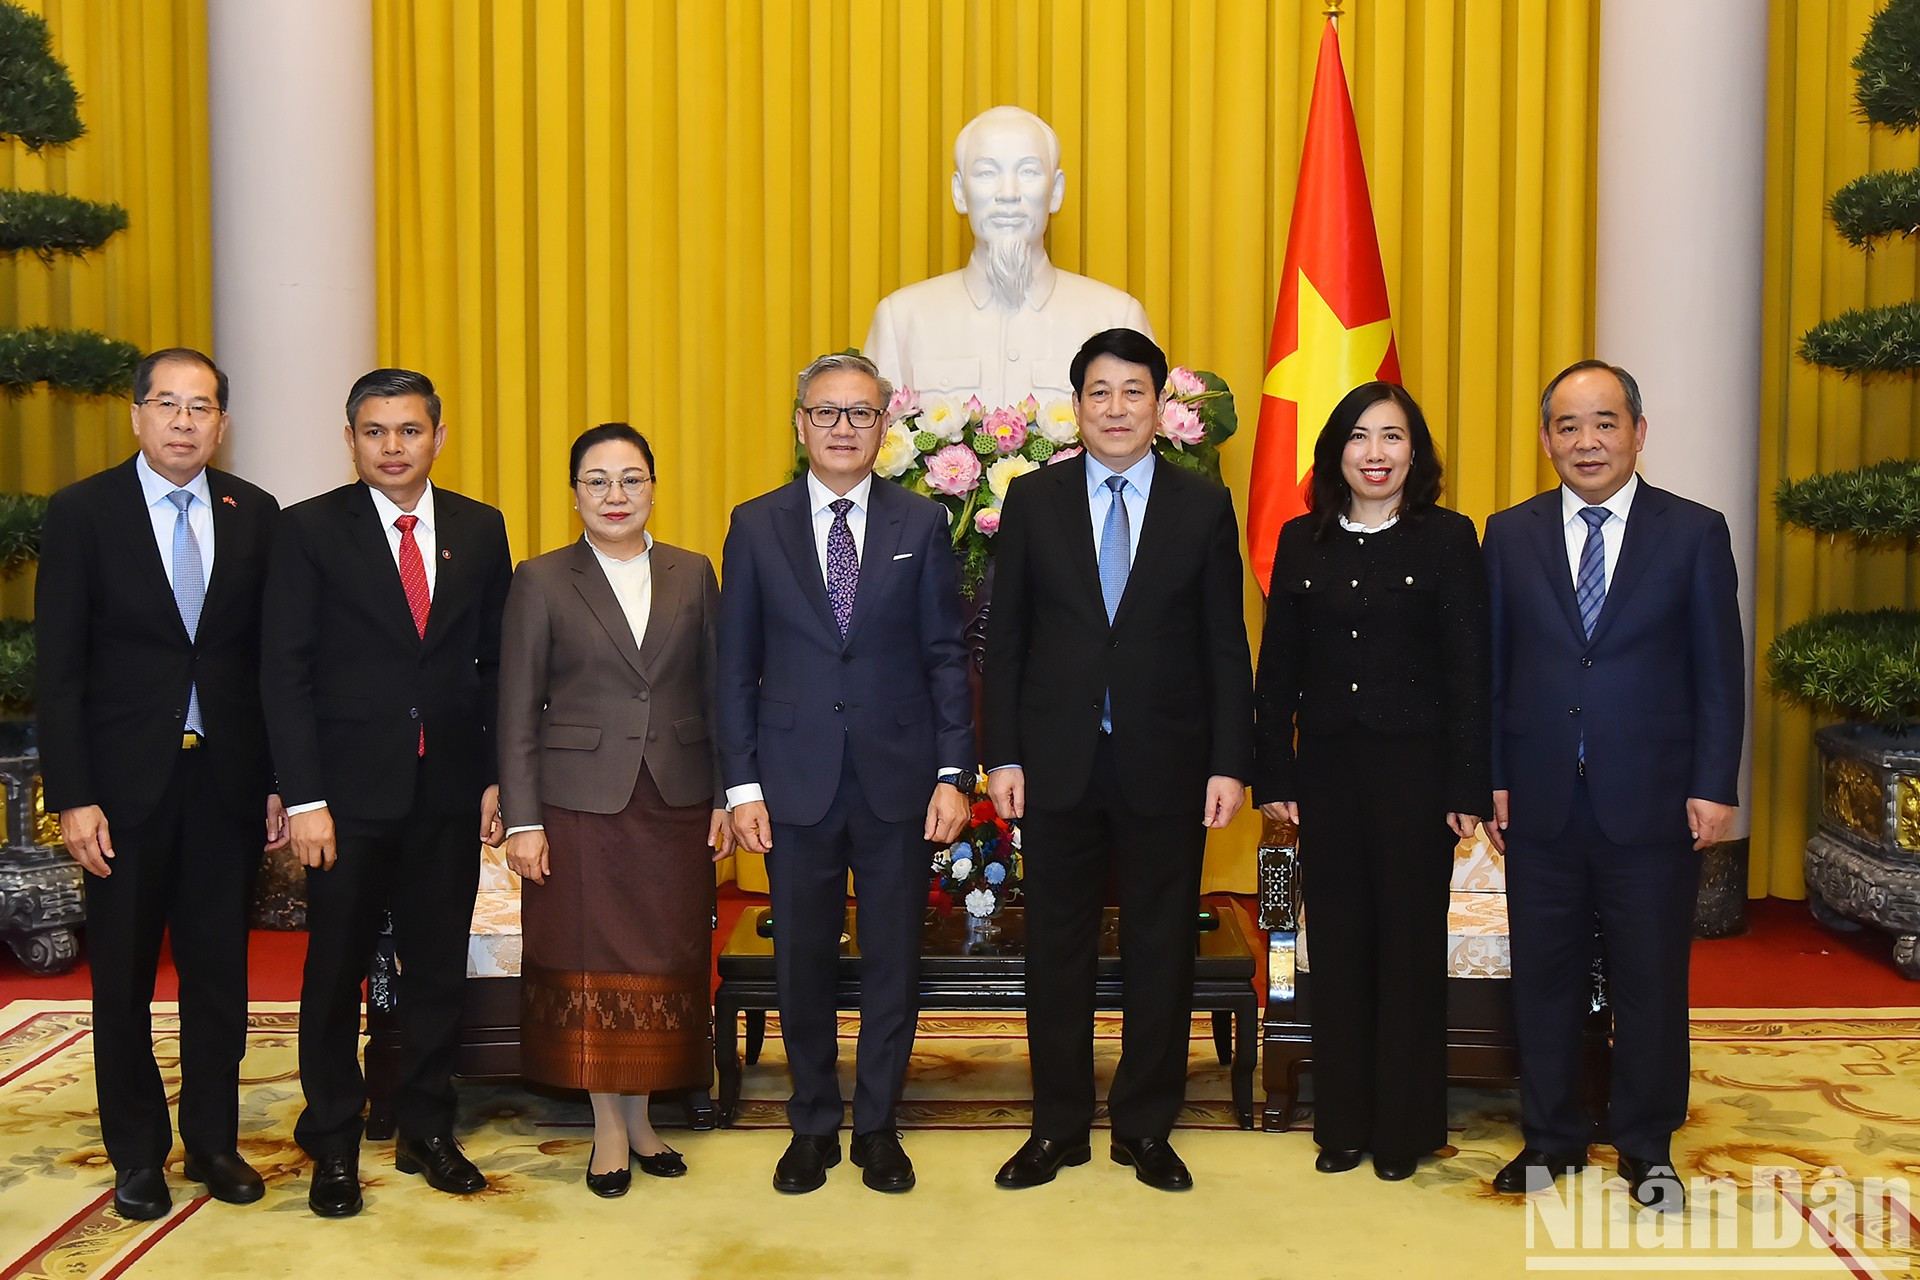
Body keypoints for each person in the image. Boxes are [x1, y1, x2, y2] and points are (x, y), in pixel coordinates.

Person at [984, 327, 1254, 1192]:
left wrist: (1229, 761)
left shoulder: (1201, 505)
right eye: (1099, 392)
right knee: (1054, 951)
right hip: (1056, 762)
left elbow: (1224, 644)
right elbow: (1006, 642)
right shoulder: (1034, 500)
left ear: (1160, 405)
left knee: (1161, 949)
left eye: (1133, 391)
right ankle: (1058, 1126)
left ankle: (1144, 1127)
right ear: (1077, 406)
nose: (1116, 408)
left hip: (1167, 763)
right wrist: (1002, 756)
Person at [1484, 360, 1743, 1211]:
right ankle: (1550, 1138)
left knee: (1651, 983)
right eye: (1568, 425)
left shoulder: (1694, 532)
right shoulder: (1510, 534)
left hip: (1655, 799)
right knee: (1545, 981)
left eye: (1604, 423)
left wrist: (1714, 783)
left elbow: (1719, 672)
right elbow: (1493, 671)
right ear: (1545, 439)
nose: (1586, 441)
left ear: (1638, 432)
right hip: (1540, 799)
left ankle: (1646, 1146)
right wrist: (1493, 777)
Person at [715, 352, 975, 1195]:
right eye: (825, 412)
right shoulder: (755, 525)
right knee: (802, 963)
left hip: (899, 779)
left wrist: (954, 772)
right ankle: (812, 1125)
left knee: (894, 959)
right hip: (792, 782)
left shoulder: (920, 523)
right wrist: (742, 786)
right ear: (800, 424)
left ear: (883, 426)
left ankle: (878, 1126)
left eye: (860, 413)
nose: (842, 428)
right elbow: (734, 666)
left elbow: (945, 656)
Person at [35, 347, 285, 1220]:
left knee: (219, 977)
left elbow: (267, 661)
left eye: (201, 407)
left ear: (223, 423)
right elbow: (59, 669)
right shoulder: (83, 512)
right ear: (137, 415)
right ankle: (136, 1154)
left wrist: (278, 779)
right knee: (124, 981)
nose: (184, 421)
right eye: (168, 404)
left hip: (225, 784)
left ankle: (213, 1142)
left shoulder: (254, 512)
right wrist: (72, 796)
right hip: (120, 793)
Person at [261, 368, 514, 1218]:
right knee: (335, 973)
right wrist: (304, 799)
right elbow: (285, 672)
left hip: (448, 790)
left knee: (438, 969)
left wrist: (495, 775)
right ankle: (333, 1137)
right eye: (375, 431)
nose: (393, 446)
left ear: (438, 436)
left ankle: (426, 1127)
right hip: (346, 801)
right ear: (351, 440)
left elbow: (494, 664)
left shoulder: (480, 527)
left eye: (409, 430)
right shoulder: (308, 530)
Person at [1250, 381, 1490, 1182]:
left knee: (1408, 947)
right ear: (1335, 453)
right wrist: (1273, 771)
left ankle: (1403, 1129)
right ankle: (1343, 1124)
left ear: (1414, 453)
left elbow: (1469, 672)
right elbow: (1277, 669)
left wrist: (1468, 785)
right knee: (1340, 945)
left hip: (1417, 777)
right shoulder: (1300, 540)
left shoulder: (1448, 539)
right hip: (1325, 772)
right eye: (1359, 436)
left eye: (1392, 437)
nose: (1375, 453)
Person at [497, 423, 733, 1199]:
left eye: (631, 479)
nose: (615, 495)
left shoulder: (693, 572)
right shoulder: (541, 579)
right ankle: (607, 1128)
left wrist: (727, 795)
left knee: (663, 962)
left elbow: (720, 694)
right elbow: (516, 708)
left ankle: (643, 1120)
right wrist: (524, 820)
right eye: (597, 481)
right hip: (578, 806)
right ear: (574, 495)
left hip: (675, 800)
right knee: (593, 963)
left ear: (654, 488)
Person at [864, 105, 1152, 408]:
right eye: (987, 173)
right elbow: (869, 431)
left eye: (1028, 172)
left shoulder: (1116, 316)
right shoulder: (901, 320)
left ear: (1056, 191)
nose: (1008, 193)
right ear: (959, 192)